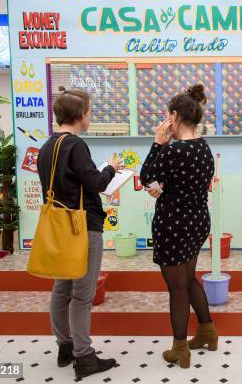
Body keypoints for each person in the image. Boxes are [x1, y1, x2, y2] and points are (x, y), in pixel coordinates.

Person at [37, 86, 124, 379]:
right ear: (80, 115)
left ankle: (65, 345)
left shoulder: (47, 146)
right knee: (82, 296)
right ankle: (84, 356)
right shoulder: (75, 146)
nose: (90, 115)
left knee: (62, 288)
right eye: (88, 110)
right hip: (83, 228)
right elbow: (97, 183)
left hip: (60, 227)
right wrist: (112, 168)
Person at [140, 84, 217, 369]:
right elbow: (177, 183)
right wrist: (162, 187)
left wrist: (158, 143)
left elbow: (145, 176)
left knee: (177, 287)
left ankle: (180, 348)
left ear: (173, 116)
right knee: (189, 278)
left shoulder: (172, 151)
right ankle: (207, 331)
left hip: (173, 224)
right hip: (197, 221)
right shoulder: (203, 147)